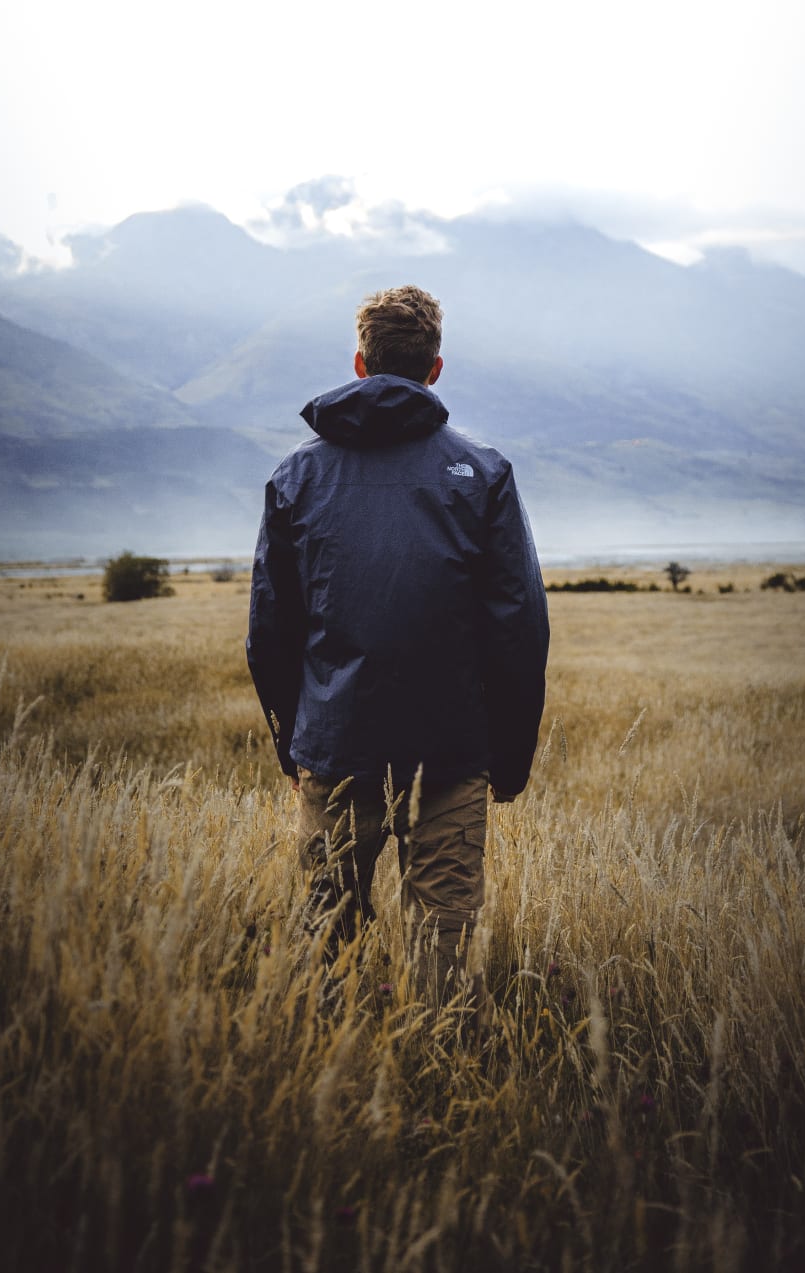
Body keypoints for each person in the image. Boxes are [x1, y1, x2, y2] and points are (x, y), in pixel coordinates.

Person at [246, 285, 549, 1011]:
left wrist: (292, 744)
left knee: (329, 938)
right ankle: (438, 1086)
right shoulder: (482, 474)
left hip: (335, 747)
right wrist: (506, 757)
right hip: (451, 754)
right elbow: (520, 628)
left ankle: (335, 1085)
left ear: (359, 363)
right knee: (442, 949)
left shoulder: (296, 477)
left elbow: (270, 632)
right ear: (435, 369)